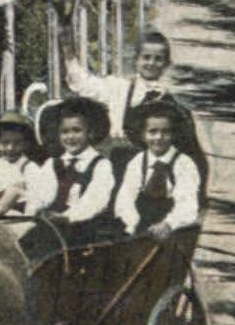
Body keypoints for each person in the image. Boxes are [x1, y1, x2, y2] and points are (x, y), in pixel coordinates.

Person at [62, 23, 209, 197]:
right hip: (116, 164)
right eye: (146, 57)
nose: (151, 63)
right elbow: (83, 83)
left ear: (166, 63)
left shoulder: (173, 105)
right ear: (136, 60)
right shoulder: (119, 88)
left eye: (158, 59)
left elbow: (193, 154)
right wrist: (67, 50)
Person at [25, 96, 118, 229]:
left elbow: (95, 201)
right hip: (50, 225)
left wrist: (67, 217)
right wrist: (34, 212)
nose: (70, 137)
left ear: (90, 132)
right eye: (65, 132)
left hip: (82, 226)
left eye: (77, 130)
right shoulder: (52, 164)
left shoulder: (101, 165)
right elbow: (40, 195)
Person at [115, 107, 202, 241]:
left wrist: (168, 224)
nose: (159, 137)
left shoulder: (184, 163)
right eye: (152, 132)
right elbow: (125, 198)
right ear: (143, 135)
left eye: (165, 132)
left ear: (173, 134)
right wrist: (133, 225)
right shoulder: (137, 162)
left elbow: (187, 203)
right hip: (141, 227)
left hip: (174, 229)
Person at [0, 109, 40, 196]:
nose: (10, 148)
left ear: (26, 144)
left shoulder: (30, 169)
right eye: (5, 143)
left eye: (17, 143)